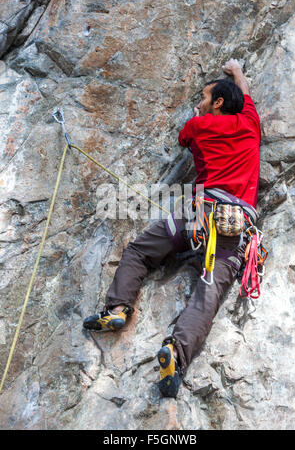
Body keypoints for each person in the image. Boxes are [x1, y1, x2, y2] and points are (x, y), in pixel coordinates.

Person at [83, 59, 261, 398]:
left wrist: (200, 114)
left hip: (199, 213)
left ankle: (117, 309)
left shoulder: (198, 126)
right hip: (235, 226)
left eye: (205, 97)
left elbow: (184, 138)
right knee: (207, 297)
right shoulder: (250, 124)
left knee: (139, 251)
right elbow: (246, 95)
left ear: (219, 103)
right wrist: (237, 72)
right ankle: (175, 357)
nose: (199, 102)